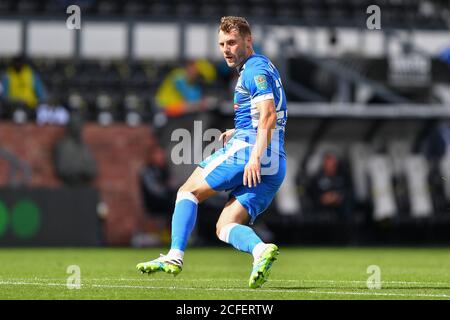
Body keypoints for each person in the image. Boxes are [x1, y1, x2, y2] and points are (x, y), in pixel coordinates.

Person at [136, 16, 288, 289]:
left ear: (248, 41)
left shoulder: (253, 70)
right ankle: (260, 250)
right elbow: (263, 115)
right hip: (275, 160)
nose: (226, 49)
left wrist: (252, 155)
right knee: (225, 225)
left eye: (232, 42)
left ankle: (174, 256)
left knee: (187, 191)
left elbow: (268, 115)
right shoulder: (263, 67)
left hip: (251, 152)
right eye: (221, 44)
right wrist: (237, 130)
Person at [0, 55, 46, 119]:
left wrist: (38, 102)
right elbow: (3, 93)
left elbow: (40, 93)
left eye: (20, 63)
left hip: (29, 106)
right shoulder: (7, 75)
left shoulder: (31, 74)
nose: (18, 65)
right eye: (16, 63)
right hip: (12, 106)